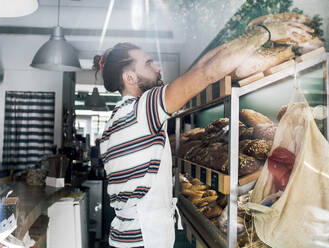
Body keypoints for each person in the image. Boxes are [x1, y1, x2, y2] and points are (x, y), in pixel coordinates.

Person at [94, 20, 313, 248]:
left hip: (126, 239)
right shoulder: (142, 110)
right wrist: (265, 33)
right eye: (149, 64)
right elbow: (205, 73)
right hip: (144, 241)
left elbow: (202, 68)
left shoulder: (114, 124)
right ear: (129, 78)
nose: (158, 68)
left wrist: (241, 41)